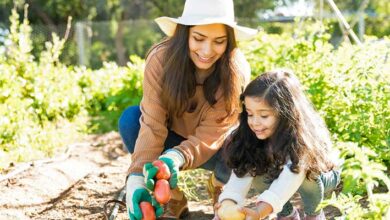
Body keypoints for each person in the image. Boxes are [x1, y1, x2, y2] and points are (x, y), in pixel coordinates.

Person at [118, 0, 257, 219]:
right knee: (130, 120)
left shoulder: (234, 70)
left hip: (216, 148)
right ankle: (172, 197)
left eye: (219, 41)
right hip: (170, 139)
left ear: (228, 42)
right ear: (185, 34)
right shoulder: (160, 59)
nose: (207, 51)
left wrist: (176, 157)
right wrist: (137, 177)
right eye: (199, 39)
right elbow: (153, 123)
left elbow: (214, 131)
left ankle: (222, 188)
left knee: (244, 139)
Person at [214, 70, 341, 220]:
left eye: (264, 115)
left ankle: (313, 213)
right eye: (250, 113)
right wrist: (228, 202)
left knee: (307, 175)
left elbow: (291, 176)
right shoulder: (250, 136)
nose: (255, 122)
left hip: (320, 175)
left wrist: (260, 212)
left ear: (285, 113)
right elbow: (241, 174)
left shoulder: (301, 140)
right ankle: (287, 214)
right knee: (257, 171)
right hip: (280, 171)